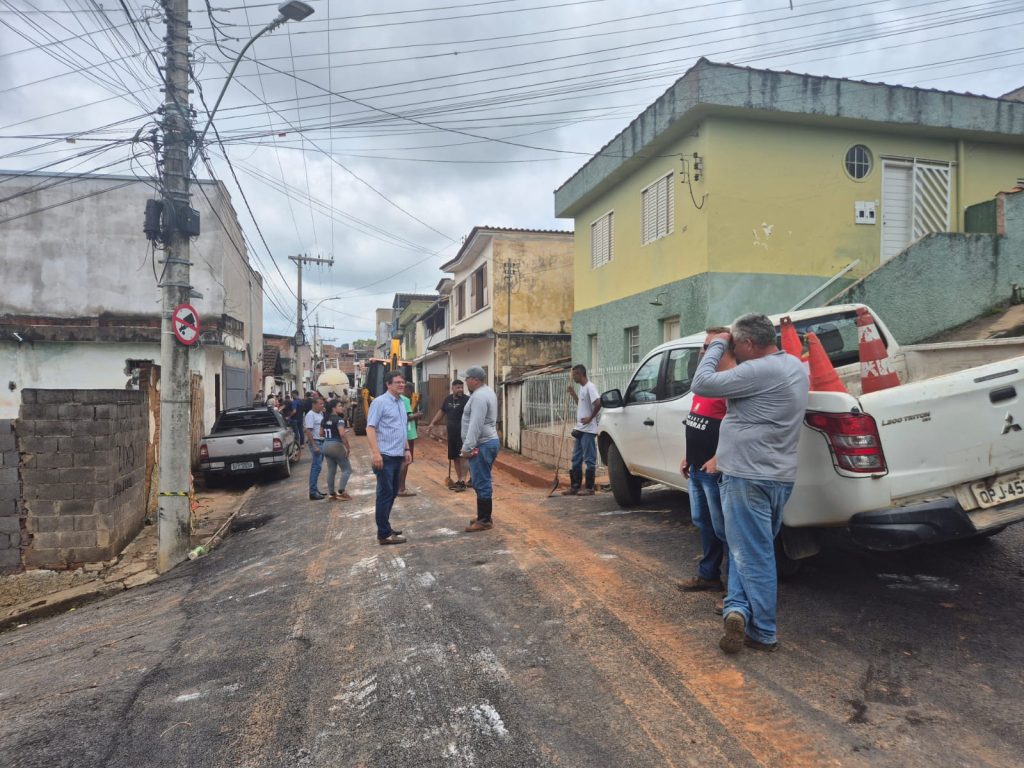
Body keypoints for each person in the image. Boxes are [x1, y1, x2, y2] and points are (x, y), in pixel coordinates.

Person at [691, 313, 809, 655]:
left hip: (748, 477)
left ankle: (763, 631)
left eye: (735, 344)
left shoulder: (758, 370)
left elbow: (702, 382)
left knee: (754, 556)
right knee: (747, 551)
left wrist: (715, 345)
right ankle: (738, 610)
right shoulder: (791, 366)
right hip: (777, 476)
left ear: (746, 344)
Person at [677, 328, 735, 596]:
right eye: (703, 345)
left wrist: (718, 458)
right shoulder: (705, 383)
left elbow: (738, 428)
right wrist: (689, 456)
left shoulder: (731, 383)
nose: (703, 351)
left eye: (709, 345)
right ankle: (709, 576)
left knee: (726, 531)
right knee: (703, 523)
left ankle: (736, 593)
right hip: (697, 469)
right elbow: (697, 423)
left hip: (715, 472)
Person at [366, 371, 411, 545]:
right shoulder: (379, 402)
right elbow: (370, 428)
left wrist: (406, 448)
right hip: (384, 456)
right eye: (398, 382)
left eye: (403, 382)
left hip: (397, 455)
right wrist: (375, 453)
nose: (402, 385)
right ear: (388, 384)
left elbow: (401, 428)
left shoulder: (401, 403)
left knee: (392, 493)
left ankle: (385, 527)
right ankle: (383, 534)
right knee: (385, 494)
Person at [461, 367, 500, 532]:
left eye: (467, 378)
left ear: (475, 380)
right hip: (488, 441)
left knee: (481, 480)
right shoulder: (487, 391)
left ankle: (484, 520)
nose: (465, 381)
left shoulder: (479, 397)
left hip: (482, 443)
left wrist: (467, 447)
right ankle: (483, 516)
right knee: (480, 480)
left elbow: (475, 424)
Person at [562, 364, 602, 496]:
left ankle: (589, 488)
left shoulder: (590, 387)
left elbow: (598, 403)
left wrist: (590, 418)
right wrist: (573, 393)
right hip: (579, 429)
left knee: (589, 459)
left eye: (575, 375)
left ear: (580, 374)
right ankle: (575, 486)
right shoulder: (582, 388)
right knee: (576, 458)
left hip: (588, 430)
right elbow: (581, 404)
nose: (573, 377)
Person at [427, 380, 470, 491]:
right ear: (453, 388)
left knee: (463, 457)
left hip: (464, 434)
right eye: (458, 387)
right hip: (451, 434)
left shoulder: (467, 400)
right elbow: (441, 412)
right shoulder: (448, 400)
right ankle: (460, 479)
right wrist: (432, 423)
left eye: (461, 387)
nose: (460, 389)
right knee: (454, 457)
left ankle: (464, 481)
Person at [321, 399, 352, 501]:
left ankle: (331, 494)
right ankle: (341, 492)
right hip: (336, 446)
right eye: (339, 406)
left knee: (331, 470)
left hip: (326, 445)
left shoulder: (324, 419)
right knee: (347, 469)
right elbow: (342, 434)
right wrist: (347, 448)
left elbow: (321, 433)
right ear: (334, 408)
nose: (342, 408)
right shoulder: (339, 420)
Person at [397, 380, 421, 497]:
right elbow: (406, 417)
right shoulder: (405, 400)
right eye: (411, 391)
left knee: (401, 461)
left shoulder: (396, 399)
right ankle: (401, 489)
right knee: (406, 461)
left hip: (401, 434)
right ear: (409, 390)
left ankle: (398, 487)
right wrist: (417, 415)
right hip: (408, 434)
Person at [304, 396, 326, 500]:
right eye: (320, 404)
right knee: (316, 467)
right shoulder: (310, 415)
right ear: (314, 404)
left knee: (318, 467)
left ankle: (315, 490)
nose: (322, 406)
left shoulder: (320, 413)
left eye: (323, 404)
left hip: (321, 441)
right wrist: (314, 446)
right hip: (316, 442)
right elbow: (308, 431)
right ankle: (312, 492)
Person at [289, 390, 305, 456]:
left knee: (296, 432)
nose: (291, 396)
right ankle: (302, 444)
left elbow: (294, 411)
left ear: (295, 394)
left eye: (292, 394)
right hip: (300, 418)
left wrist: (289, 416)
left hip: (294, 419)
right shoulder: (301, 401)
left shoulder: (294, 402)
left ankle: (297, 444)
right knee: (301, 431)